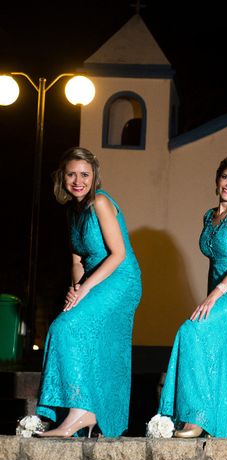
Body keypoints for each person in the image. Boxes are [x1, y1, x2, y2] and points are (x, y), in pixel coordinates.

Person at [159, 153, 227, 438]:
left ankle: (195, 418)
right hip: (223, 291)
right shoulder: (209, 216)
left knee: (192, 330)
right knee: (226, 352)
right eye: (226, 178)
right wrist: (211, 294)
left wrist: (215, 297)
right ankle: (226, 427)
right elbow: (214, 265)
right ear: (217, 179)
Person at [36, 147, 142, 437]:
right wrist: (74, 289)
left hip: (120, 280)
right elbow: (76, 260)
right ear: (62, 177)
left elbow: (118, 254)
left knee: (66, 328)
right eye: (72, 174)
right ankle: (83, 411)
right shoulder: (73, 210)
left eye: (84, 174)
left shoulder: (101, 202)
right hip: (92, 280)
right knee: (65, 327)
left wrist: (84, 289)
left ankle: (82, 411)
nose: (78, 180)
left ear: (94, 177)